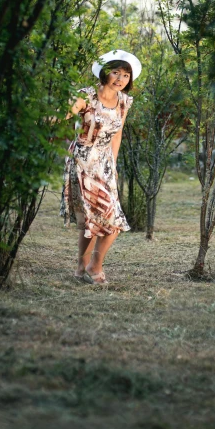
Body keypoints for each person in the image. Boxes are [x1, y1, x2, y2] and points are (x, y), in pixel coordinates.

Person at [60, 49, 141, 285]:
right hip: (83, 159)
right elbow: (64, 114)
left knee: (109, 219)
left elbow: (117, 134)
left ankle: (88, 266)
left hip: (105, 163)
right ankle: (87, 267)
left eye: (126, 75)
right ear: (106, 73)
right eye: (116, 72)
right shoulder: (87, 95)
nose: (120, 79)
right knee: (91, 220)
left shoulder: (124, 101)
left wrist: (113, 165)